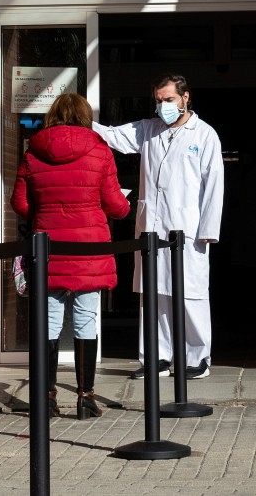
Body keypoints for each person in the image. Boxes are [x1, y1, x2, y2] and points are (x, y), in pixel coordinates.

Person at [94, 73, 224, 380]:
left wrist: (208, 230)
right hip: (152, 226)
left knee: (190, 295)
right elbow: (112, 136)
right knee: (152, 295)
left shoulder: (204, 135)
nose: (162, 105)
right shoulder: (147, 130)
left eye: (168, 99)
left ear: (185, 98)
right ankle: (157, 358)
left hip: (187, 230)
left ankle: (198, 357)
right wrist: (80, 123)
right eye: (158, 100)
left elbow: (213, 186)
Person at [11, 91, 130, 419]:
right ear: (84, 116)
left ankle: (46, 398)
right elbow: (115, 206)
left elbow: (20, 203)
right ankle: (85, 397)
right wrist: (125, 205)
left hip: (48, 246)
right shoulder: (99, 149)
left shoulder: (32, 152)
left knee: (48, 321)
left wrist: (46, 209)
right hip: (88, 248)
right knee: (85, 319)